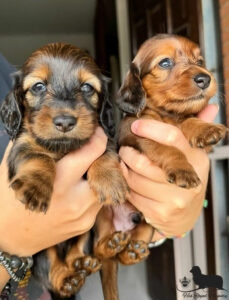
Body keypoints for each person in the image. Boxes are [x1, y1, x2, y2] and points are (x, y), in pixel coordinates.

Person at [0, 53, 218, 298]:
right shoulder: (21, 110)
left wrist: (175, 221)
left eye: (86, 88)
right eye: (38, 87)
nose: (64, 115)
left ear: (103, 105)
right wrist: (8, 246)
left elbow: (107, 204)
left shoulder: (6, 74)